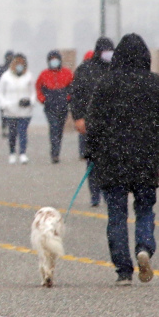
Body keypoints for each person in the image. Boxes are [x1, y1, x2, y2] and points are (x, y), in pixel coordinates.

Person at [86, 33, 159, 286]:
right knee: (145, 209)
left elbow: (93, 126)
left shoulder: (105, 84)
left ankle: (123, 271)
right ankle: (144, 248)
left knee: (116, 215)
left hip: (112, 161)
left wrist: (92, 153)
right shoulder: (156, 83)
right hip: (146, 160)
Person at [69, 38, 115, 205]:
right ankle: (95, 195)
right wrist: (78, 118)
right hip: (91, 121)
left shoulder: (117, 69)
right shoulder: (84, 70)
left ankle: (109, 194)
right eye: (105, 50)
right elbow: (76, 96)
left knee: (111, 161)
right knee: (93, 160)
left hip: (113, 122)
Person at [0, 53, 36, 164]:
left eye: (22, 63)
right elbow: (0, 92)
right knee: (12, 133)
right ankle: (12, 153)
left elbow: (33, 92)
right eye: (17, 63)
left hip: (25, 110)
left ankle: (23, 153)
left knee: (23, 132)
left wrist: (31, 102)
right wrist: (4, 104)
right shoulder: (6, 76)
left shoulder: (29, 76)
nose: (19, 65)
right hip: (11, 110)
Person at [36, 50, 74, 163]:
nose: (54, 61)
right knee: (54, 127)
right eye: (51, 59)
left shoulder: (67, 73)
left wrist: (67, 98)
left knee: (59, 130)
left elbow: (72, 87)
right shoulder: (43, 74)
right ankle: (54, 153)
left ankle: (57, 150)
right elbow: (38, 88)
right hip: (50, 107)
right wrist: (43, 99)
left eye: (55, 59)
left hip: (63, 106)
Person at [0, 50, 14, 138]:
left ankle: (11, 130)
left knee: (12, 113)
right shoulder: (1, 68)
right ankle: (5, 129)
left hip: (13, 94)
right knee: (4, 113)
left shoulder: (14, 69)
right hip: (4, 94)